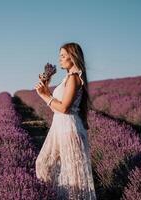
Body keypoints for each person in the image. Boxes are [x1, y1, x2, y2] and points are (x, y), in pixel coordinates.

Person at [34, 42, 97, 199]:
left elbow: (64, 108)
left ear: (72, 57)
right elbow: (58, 108)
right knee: (43, 164)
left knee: (75, 177)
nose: (59, 59)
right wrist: (46, 90)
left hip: (69, 129)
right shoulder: (68, 78)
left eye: (63, 55)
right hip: (61, 127)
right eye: (60, 55)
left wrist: (44, 95)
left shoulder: (74, 78)